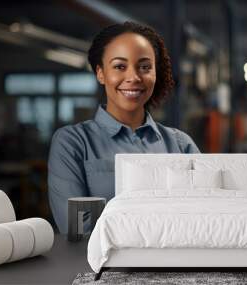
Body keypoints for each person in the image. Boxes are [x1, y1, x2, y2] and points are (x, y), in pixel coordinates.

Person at [48, 22, 200, 234]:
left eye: (145, 67)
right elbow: (77, 229)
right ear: (100, 73)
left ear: (156, 73)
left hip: (175, 265)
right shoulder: (73, 143)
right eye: (120, 66)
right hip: (100, 267)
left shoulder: (181, 144)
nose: (134, 77)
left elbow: (202, 219)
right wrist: (167, 226)